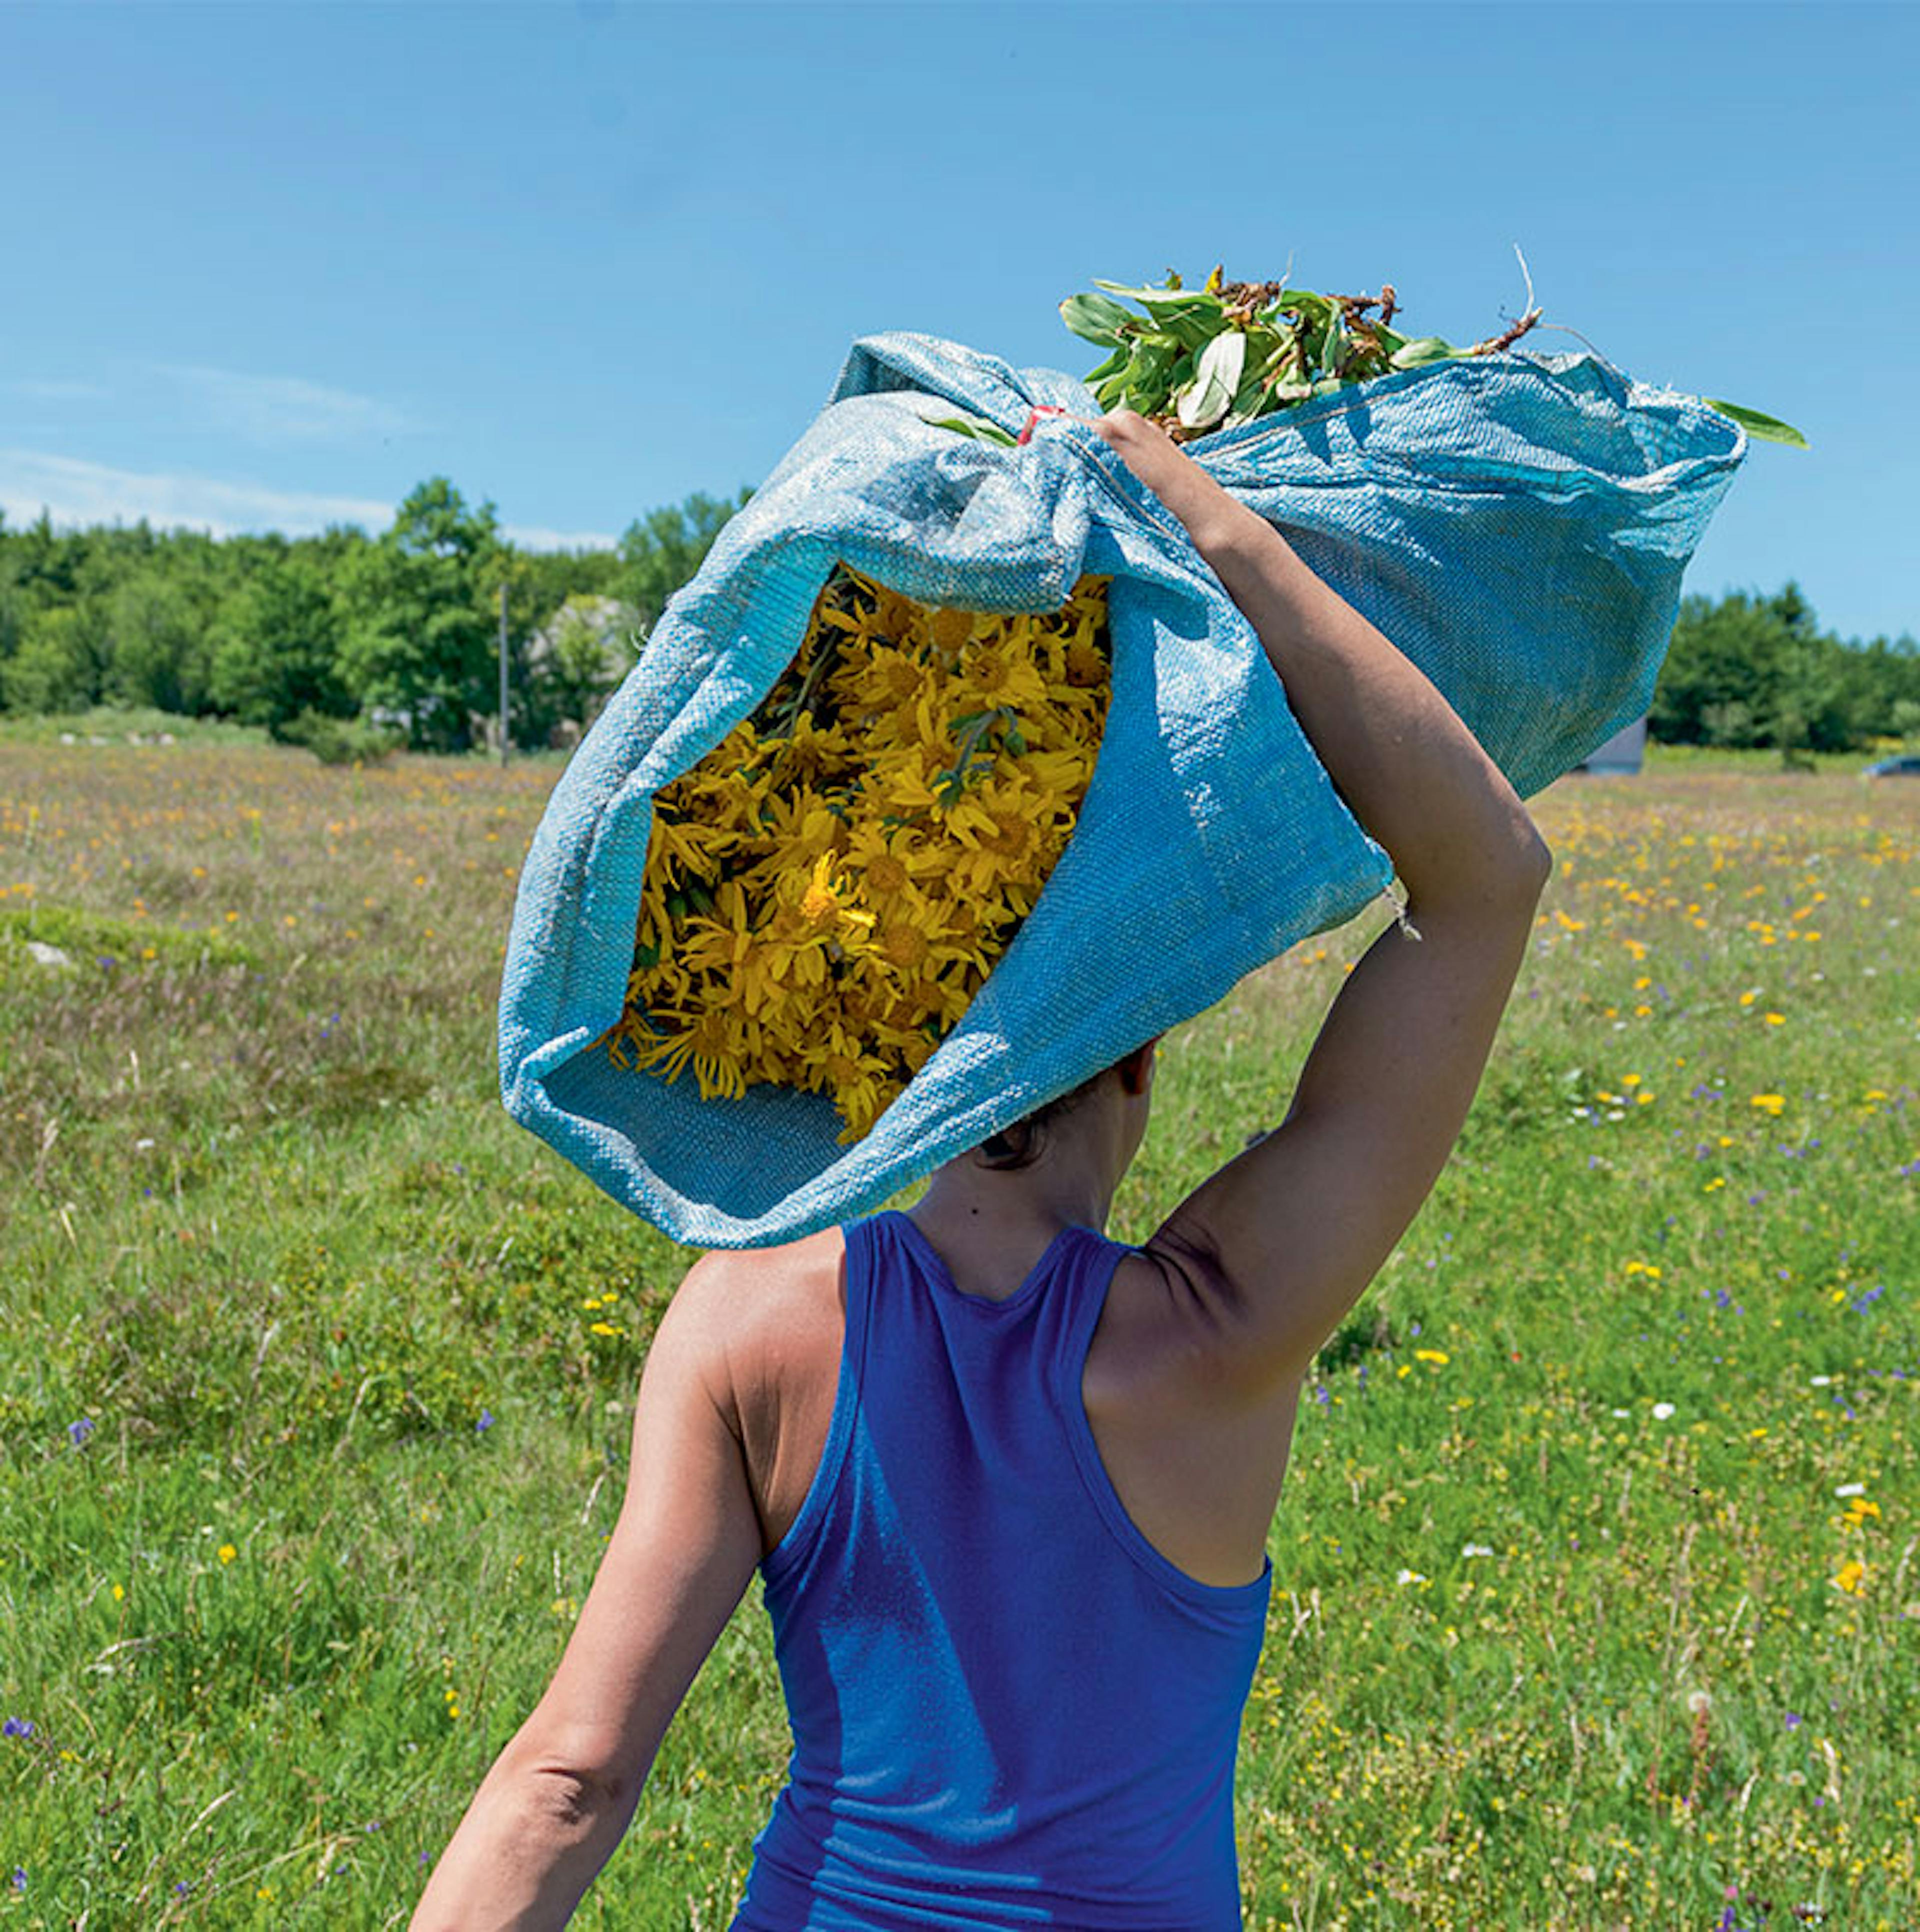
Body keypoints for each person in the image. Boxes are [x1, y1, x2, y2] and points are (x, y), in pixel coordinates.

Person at [412, 410, 1552, 1930]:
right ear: (1137, 1057)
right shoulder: (1215, 1331)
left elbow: (569, 1782)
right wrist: (1204, 523)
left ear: (890, 1058)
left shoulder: (744, 1328)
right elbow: (1487, 885)